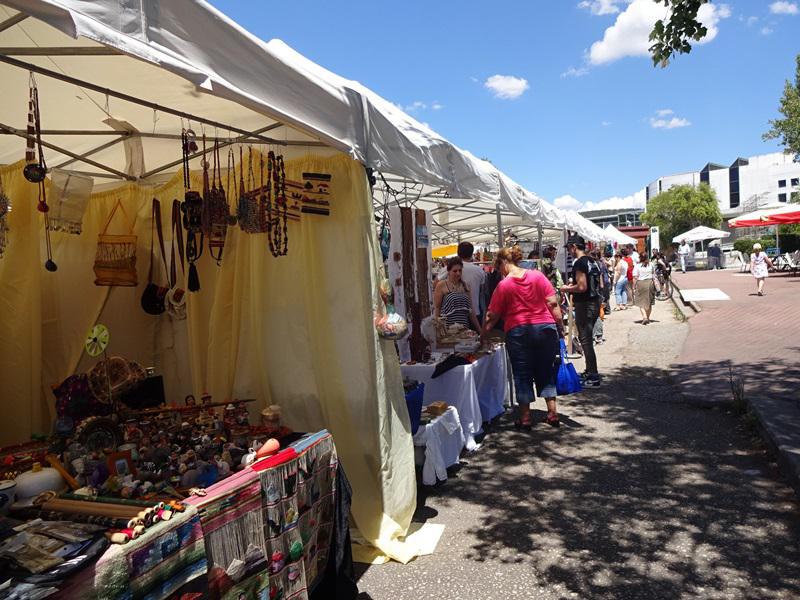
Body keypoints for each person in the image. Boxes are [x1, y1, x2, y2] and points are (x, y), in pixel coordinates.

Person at [482, 246, 565, 428]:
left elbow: (491, 316)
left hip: (518, 331)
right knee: (546, 370)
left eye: (498, 267)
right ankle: (552, 414)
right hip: (545, 328)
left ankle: (525, 417)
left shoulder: (504, 285)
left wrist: (483, 335)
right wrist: (560, 326)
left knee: (522, 373)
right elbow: (552, 303)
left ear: (503, 263)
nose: (500, 272)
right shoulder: (538, 276)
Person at [560, 235, 602, 386]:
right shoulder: (592, 261)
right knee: (587, 339)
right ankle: (590, 370)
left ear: (574, 247)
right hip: (594, 301)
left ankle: (593, 376)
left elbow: (582, 287)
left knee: (585, 340)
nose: (569, 252)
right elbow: (598, 284)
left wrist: (566, 288)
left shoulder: (580, 263)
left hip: (585, 303)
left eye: (569, 248)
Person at [440, 242, 486, 321]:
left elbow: (435, 283)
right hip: (475, 311)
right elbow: (482, 293)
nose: (458, 273)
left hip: (455, 314)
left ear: (458, 253)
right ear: (472, 254)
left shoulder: (450, 267)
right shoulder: (480, 271)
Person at [433, 257, 482, 331]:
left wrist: (479, 330)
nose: (458, 273)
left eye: (460, 270)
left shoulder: (466, 286)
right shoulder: (441, 285)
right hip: (448, 330)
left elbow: (471, 310)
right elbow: (437, 309)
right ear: (448, 271)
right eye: (455, 271)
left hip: (464, 329)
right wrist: (438, 329)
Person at [590, 249, 609, 344]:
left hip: (594, 292)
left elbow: (600, 280)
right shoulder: (600, 263)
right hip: (598, 291)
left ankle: (595, 336)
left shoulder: (593, 264)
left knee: (594, 315)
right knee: (597, 314)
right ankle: (599, 336)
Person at [633, 253, 656, 324]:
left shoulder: (637, 266)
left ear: (640, 258)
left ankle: (644, 317)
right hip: (650, 283)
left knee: (641, 302)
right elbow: (654, 275)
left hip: (641, 284)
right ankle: (648, 318)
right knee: (649, 302)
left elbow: (635, 277)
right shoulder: (651, 265)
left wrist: (634, 286)